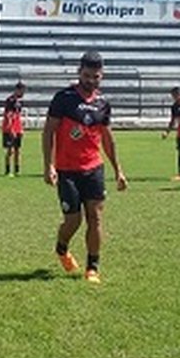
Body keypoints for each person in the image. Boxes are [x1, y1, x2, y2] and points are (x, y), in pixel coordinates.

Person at [42, 51, 128, 284]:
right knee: (73, 220)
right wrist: (48, 165)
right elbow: (48, 132)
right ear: (79, 72)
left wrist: (118, 170)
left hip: (93, 168)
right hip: (67, 170)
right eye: (87, 75)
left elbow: (108, 139)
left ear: (102, 76)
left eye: (96, 76)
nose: (91, 80)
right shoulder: (64, 98)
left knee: (95, 217)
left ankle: (93, 267)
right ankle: (61, 248)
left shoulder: (103, 104)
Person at [1, 81, 26, 176]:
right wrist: (11, 129)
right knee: (10, 150)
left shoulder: (20, 102)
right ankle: (7, 170)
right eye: (22, 91)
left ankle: (17, 170)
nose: (23, 93)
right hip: (9, 129)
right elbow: (8, 115)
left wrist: (21, 128)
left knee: (17, 150)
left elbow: (18, 116)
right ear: (17, 90)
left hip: (17, 128)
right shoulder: (10, 101)